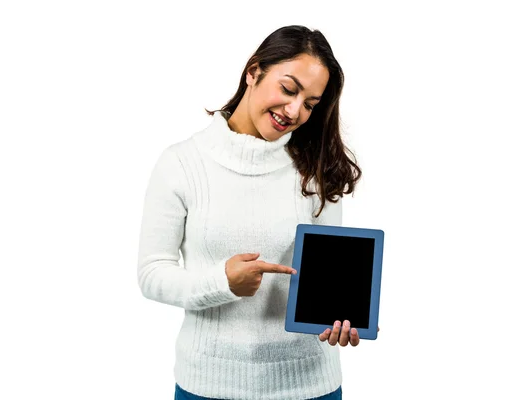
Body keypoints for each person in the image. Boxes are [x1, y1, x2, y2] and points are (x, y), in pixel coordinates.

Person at [137, 25, 364, 400]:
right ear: (253, 72)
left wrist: (337, 318)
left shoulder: (317, 167)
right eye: (289, 89)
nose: (294, 111)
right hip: (208, 385)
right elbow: (151, 273)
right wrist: (221, 283)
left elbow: (323, 279)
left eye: (309, 104)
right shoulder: (181, 163)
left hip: (310, 386)